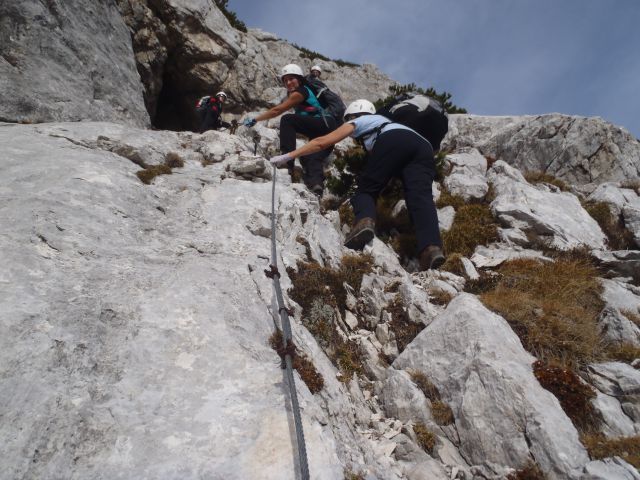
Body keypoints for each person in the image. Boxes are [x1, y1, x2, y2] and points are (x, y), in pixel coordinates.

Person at [269, 99, 445, 270]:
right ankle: (431, 248)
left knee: (365, 190)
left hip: (394, 139)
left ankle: (364, 223)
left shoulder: (360, 121)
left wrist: (288, 156)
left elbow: (322, 142)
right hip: (424, 147)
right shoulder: (388, 122)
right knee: (421, 199)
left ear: (353, 115)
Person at [242, 64, 335, 196]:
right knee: (310, 155)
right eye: (285, 80)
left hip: (324, 124)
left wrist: (256, 119)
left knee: (287, 119)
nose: (288, 82)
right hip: (327, 131)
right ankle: (316, 185)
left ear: (299, 78)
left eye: (291, 78)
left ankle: (287, 161)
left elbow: (277, 110)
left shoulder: (301, 91)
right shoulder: (303, 91)